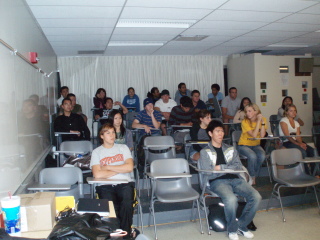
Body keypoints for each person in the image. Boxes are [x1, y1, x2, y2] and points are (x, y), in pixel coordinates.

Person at [199, 120, 261, 240]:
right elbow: (207, 171)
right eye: (217, 131)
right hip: (217, 181)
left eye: (222, 131)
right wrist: (226, 168)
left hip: (235, 179)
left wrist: (220, 167)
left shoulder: (231, 149)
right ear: (210, 133)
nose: (220, 133)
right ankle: (232, 229)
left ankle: (242, 226)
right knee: (231, 199)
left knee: (256, 196)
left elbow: (238, 166)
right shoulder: (205, 152)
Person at [90, 122, 137, 239]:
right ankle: (115, 233)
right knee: (111, 205)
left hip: (124, 183)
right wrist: (120, 169)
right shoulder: (96, 152)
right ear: (101, 136)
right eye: (108, 133)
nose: (112, 135)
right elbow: (97, 174)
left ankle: (125, 234)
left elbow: (129, 168)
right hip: (105, 185)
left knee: (126, 202)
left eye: (113, 133)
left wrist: (108, 167)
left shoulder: (123, 148)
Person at [279, 104, 315, 174]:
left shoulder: (296, 123)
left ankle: (315, 173)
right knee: (303, 152)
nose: (294, 113)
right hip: (287, 142)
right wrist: (298, 144)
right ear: (287, 112)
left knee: (312, 151)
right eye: (291, 111)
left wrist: (301, 143)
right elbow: (288, 136)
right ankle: (306, 173)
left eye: (295, 111)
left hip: (295, 141)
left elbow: (298, 136)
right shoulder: (283, 121)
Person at [237, 103, 267, 185]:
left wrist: (263, 123)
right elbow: (254, 135)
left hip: (256, 145)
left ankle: (251, 174)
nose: (247, 113)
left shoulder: (263, 119)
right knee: (252, 156)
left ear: (256, 111)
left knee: (262, 156)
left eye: (250, 111)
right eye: (246, 111)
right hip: (243, 145)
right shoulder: (244, 121)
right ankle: (252, 176)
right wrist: (258, 122)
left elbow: (262, 135)